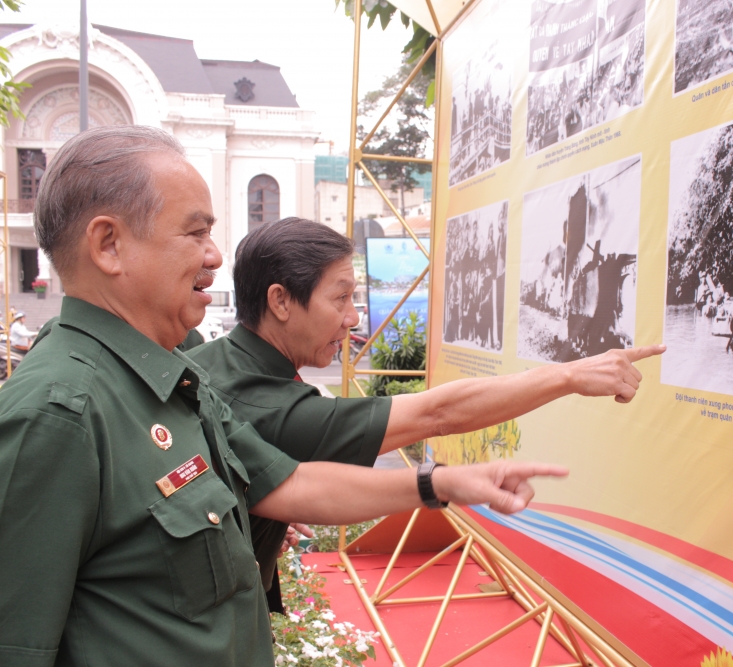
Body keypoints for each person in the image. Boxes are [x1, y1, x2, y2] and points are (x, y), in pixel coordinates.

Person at [0, 126, 568, 667]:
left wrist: (439, 483)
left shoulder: (167, 377)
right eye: (195, 233)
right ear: (109, 245)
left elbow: (289, 485)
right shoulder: (58, 413)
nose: (214, 255)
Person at [188, 217, 665, 611]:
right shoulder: (269, 407)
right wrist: (569, 377)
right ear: (280, 301)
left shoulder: (213, 364)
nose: (352, 317)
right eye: (340, 298)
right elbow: (438, 413)